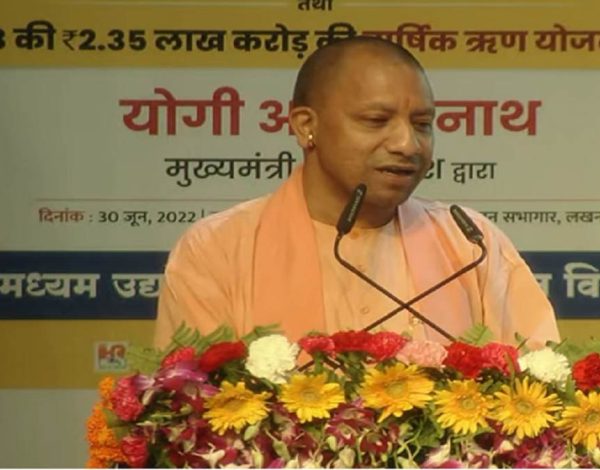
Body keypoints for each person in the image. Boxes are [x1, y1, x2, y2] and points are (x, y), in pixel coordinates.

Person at [153, 36, 559, 349]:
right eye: (376, 120)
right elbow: (194, 408)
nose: (407, 144)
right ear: (305, 126)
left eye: (422, 124)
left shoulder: (471, 243)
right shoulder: (219, 250)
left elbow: (538, 391)